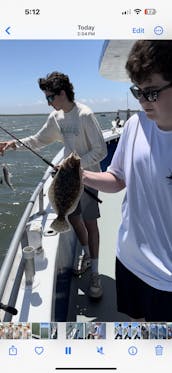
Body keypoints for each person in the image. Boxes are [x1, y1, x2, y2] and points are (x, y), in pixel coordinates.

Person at [82, 40, 172, 321]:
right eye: (138, 92)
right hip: (129, 262)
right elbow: (118, 178)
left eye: (152, 92)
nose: (143, 102)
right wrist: (81, 175)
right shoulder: (135, 125)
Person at [0, 71, 107, 299]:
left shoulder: (85, 115)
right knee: (74, 220)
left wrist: (75, 164)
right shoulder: (56, 117)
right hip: (67, 181)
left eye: (50, 98)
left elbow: (101, 150)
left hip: (87, 179)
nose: (48, 102)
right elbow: (38, 140)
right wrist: (11, 145)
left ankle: (96, 274)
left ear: (62, 94)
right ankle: (87, 256)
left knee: (90, 223)